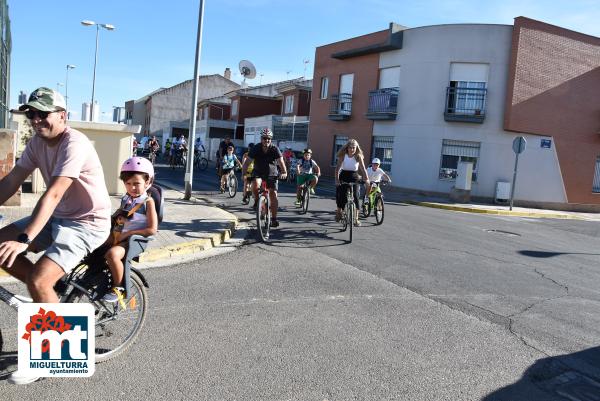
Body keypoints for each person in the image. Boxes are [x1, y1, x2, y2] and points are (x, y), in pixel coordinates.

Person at [0, 87, 112, 384]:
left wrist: (24, 238)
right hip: (60, 216)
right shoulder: (37, 143)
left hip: (87, 222)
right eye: (31, 114)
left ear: (63, 116)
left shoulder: (75, 143)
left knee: (39, 278)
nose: (36, 120)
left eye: (42, 114)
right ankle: (47, 301)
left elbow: (53, 193)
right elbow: (12, 180)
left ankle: (49, 360)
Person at [103, 157, 158, 302]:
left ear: (147, 182)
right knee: (92, 246)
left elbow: (152, 229)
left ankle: (119, 287)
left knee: (112, 255)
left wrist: (127, 234)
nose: (131, 187)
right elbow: (119, 215)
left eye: (136, 184)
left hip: (133, 240)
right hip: (119, 235)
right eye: (127, 183)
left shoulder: (148, 202)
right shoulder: (126, 199)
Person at [241, 128, 287, 227]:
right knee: (255, 185)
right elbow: (247, 162)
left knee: (273, 194)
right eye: (264, 138)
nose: (266, 140)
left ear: (271, 139)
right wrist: (243, 174)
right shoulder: (256, 148)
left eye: (269, 139)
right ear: (261, 139)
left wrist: (284, 172)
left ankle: (274, 219)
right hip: (258, 172)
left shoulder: (275, 149)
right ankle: (257, 201)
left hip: (272, 173)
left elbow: (281, 161)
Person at [335, 139, 370, 226]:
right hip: (343, 175)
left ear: (356, 148)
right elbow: (337, 169)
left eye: (353, 148)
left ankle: (356, 219)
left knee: (356, 196)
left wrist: (367, 179)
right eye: (350, 147)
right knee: (341, 195)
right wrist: (337, 179)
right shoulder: (343, 155)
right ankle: (339, 211)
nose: (352, 149)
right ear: (347, 148)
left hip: (354, 176)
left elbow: (363, 168)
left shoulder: (358, 156)